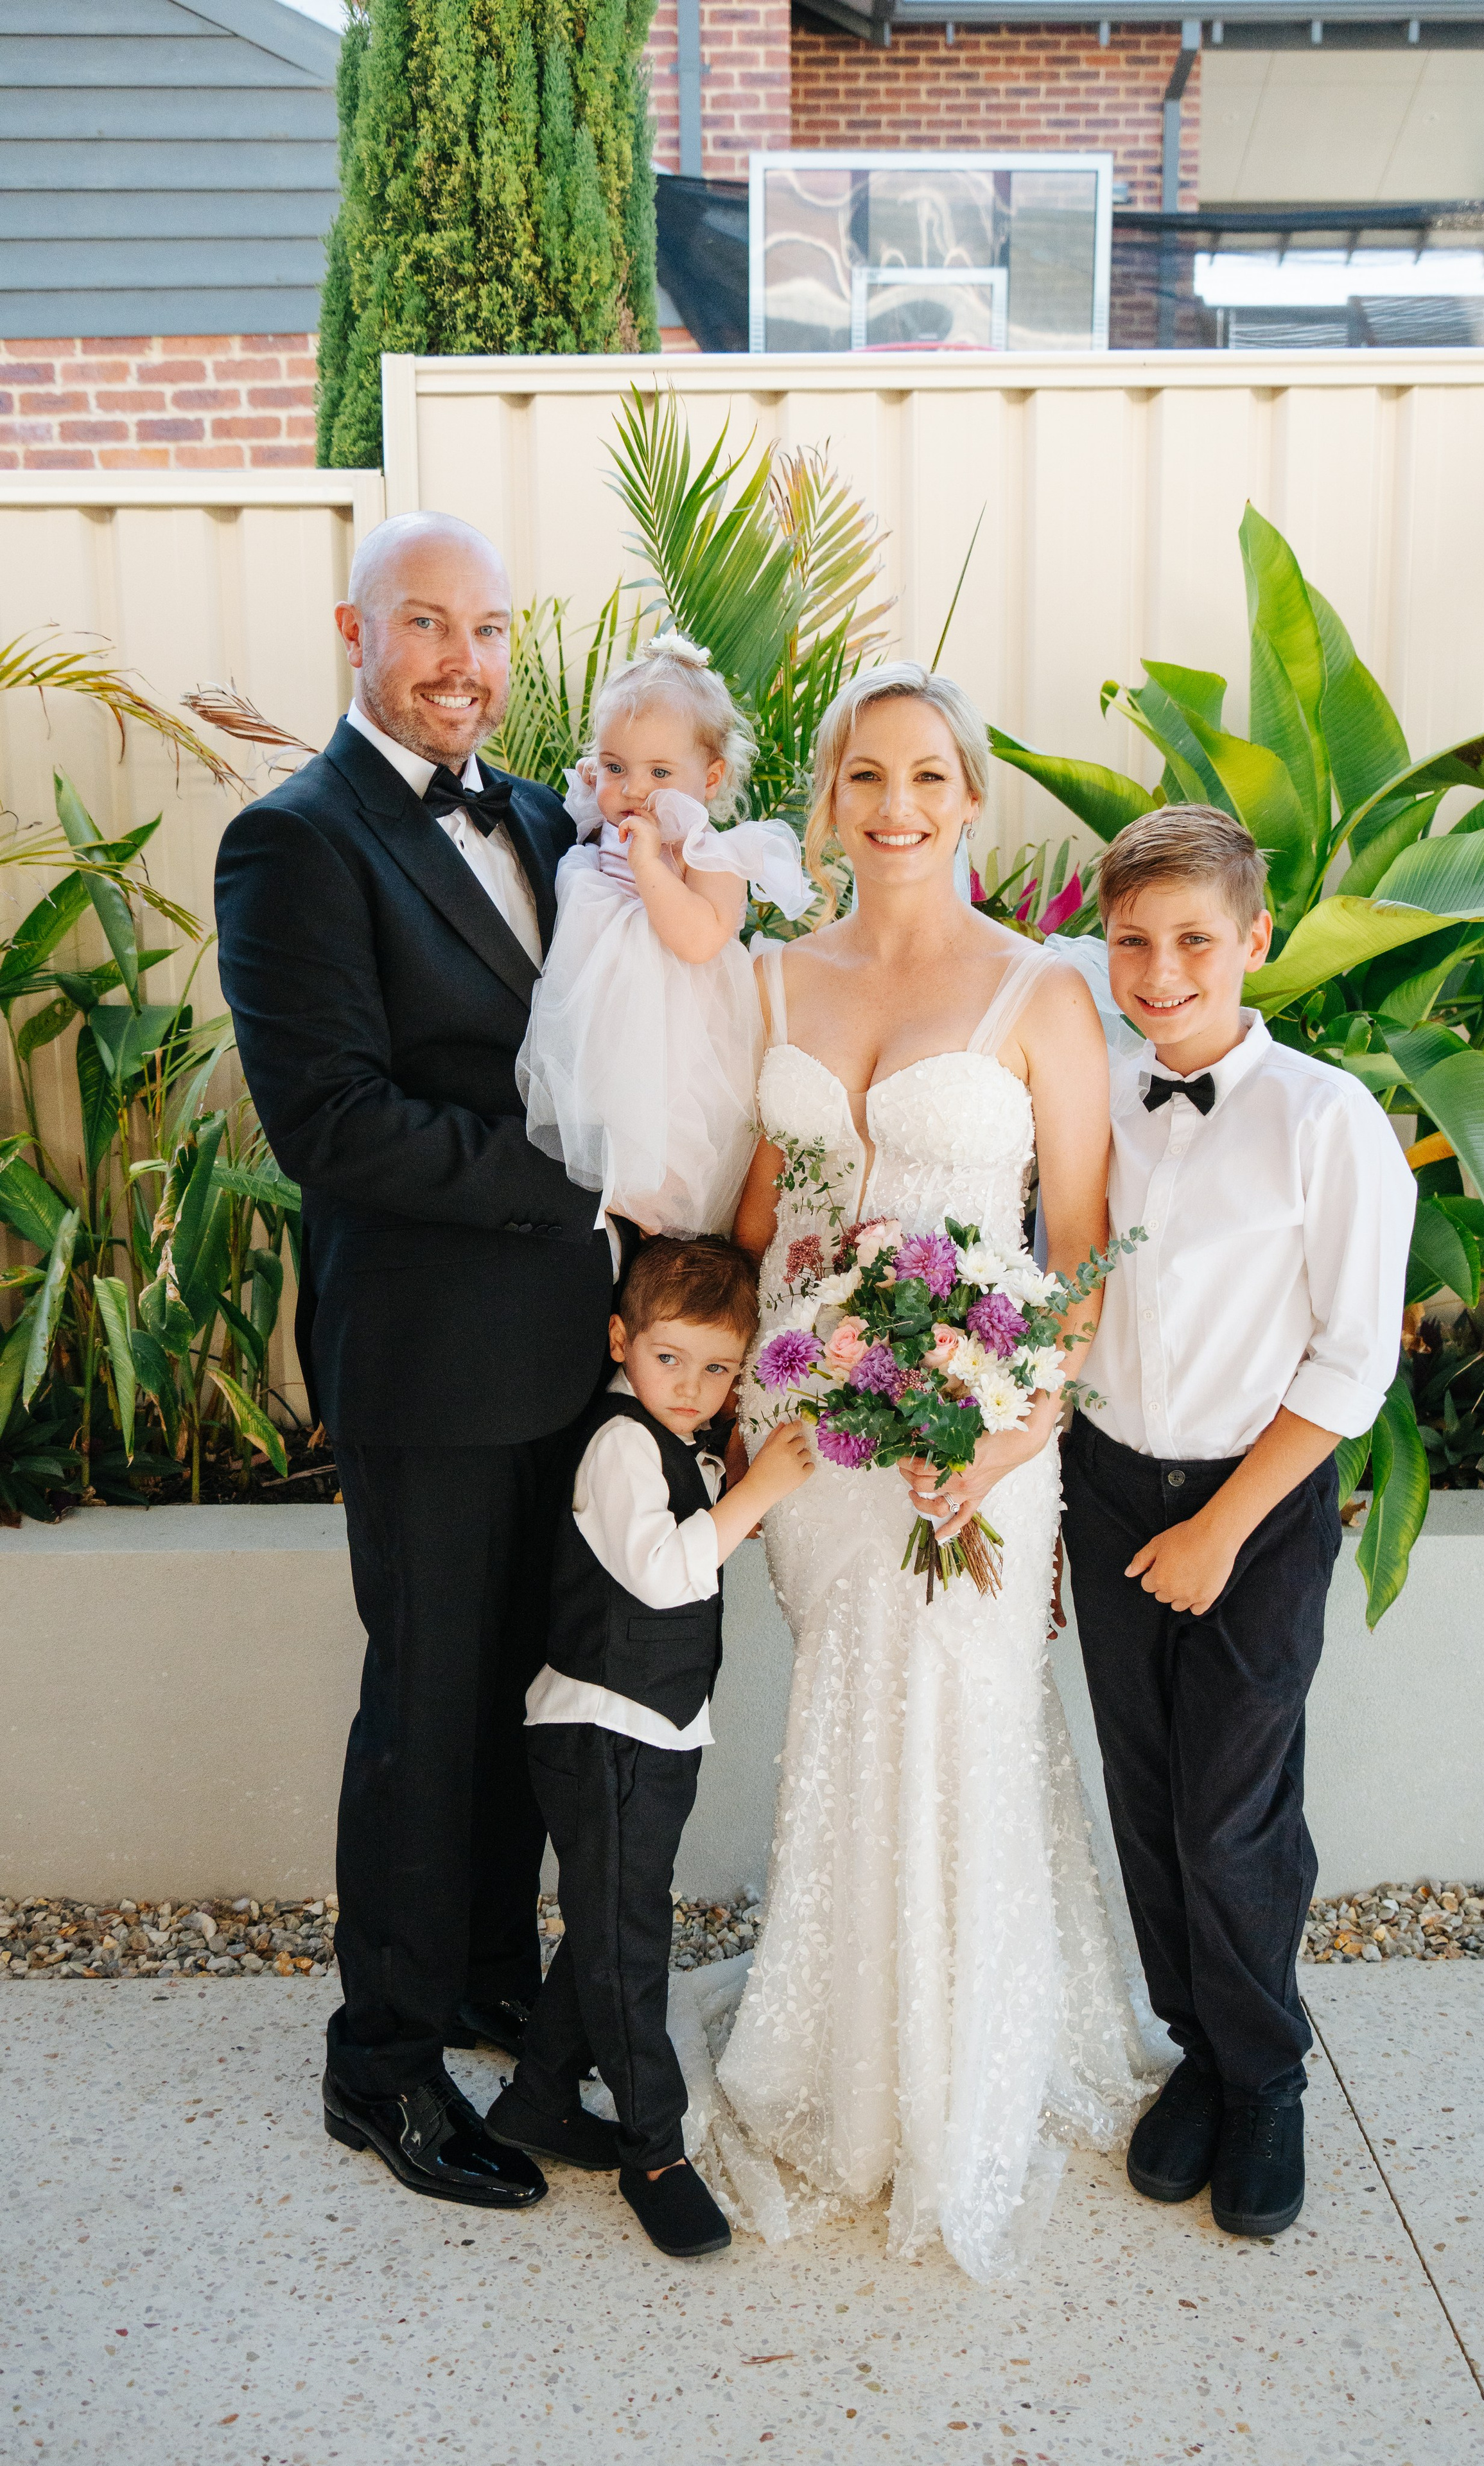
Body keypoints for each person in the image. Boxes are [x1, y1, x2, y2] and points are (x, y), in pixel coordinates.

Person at [713, 663, 1153, 2284]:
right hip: (813, 1429)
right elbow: (760, 1215)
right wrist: (743, 1352)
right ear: (828, 798)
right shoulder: (768, 980)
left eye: (927, 777)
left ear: (969, 798)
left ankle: (959, 2068)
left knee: (959, 1719)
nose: (895, 806)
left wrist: (1018, 1417)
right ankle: (833, 2047)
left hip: (987, 1433)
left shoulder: (1038, 990)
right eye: (864, 777)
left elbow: (1086, 1244)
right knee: (845, 1704)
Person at [215, 511, 619, 2211]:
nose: (464, 663)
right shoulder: (294, 841)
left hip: (566, 1352)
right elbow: (337, 1125)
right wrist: (584, 1188)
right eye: (427, 627)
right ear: (356, 634)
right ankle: (377, 2062)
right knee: (425, 1705)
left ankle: (480, 1979)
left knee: (522, 1691)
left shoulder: (545, 818)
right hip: (428, 1359)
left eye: (491, 630)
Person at [1058, 805, 1415, 2240]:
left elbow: (1350, 1360)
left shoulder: (1325, 1120)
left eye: (1194, 939)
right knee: (1145, 1797)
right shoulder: (1085, 1094)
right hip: (1103, 1486)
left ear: (1254, 940)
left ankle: (1267, 2075)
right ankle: (1196, 2055)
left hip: (1250, 1503)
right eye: (1132, 940)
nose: (1160, 969)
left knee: (1230, 1808)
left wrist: (1221, 1526)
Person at [484, 1237, 812, 2258]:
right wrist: (752, 1500)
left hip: (650, 1729)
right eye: (671, 1358)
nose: (694, 1387)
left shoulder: (671, 1441)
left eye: (719, 1368)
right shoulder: (619, 1444)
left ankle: (538, 2102)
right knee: (630, 1946)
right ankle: (655, 2151)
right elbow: (665, 1575)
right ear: (621, 1340)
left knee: (609, 1925)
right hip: (603, 1730)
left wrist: (733, 1484)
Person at [516, 633, 811, 1237]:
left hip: (674, 1042)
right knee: (592, 1153)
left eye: (660, 771)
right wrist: (595, 786)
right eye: (616, 767)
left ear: (711, 777)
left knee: (663, 1162)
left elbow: (700, 938)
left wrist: (652, 864)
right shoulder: (606, 818)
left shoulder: (709, 852)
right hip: (598, 1030)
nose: (634, 790)